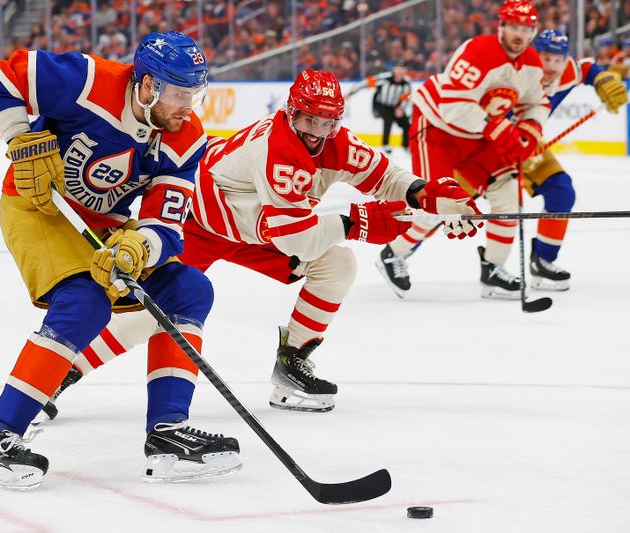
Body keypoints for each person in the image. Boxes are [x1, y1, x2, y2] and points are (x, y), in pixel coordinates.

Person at [39, 69, 482, 417]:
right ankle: (62, 372)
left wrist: (423, 194)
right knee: (148, 314)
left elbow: (384, 177)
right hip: (199, 220)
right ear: (291, 113)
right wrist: (363, 220)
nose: (317, 130)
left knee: (338, 265)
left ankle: (293, 363)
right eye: (309, 119)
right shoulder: (278, 150)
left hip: (255, 225)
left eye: (327, 122)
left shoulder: (335, 142)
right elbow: (297, 237)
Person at [0, 31, 240, 490]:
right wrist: (20, 136)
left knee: (189, 289)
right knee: (84, 302)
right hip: (39, 209)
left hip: (106, 224)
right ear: (147, 85)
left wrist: (138, 248)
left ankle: (167, 432)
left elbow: (167, 224)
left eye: (194, 94)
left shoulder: (186, 138)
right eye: (178, 94)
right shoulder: (87, 80)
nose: (187, 106)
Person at [377, 0, 550, 299]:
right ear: (502, 26)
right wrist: (500, 130)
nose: (519, 34)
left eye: (526, 28)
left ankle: (493, 268)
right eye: (514, 27)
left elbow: (537, 103)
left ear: (533, 30)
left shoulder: (532, 63)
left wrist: (530, 131)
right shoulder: (480, 51)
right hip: (437, 128)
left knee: (509, 196)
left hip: (477, 136)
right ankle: (393, 253)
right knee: (437, 205)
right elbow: (454, 105)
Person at [518, 29, 627, 289]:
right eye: (546, 58)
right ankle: (400, 250)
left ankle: (542, 260)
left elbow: (586, 68)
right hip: (486, 147)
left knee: (560, 190)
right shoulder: (516, 72)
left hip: (526, 145)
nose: (552, 66)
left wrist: (602, 78)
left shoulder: (567, 69)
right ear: (534, 54)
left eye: (558, 59)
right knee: (445, 201)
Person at [345, 59, 413, 155]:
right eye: (397, 68)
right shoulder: (384, 79)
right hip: (380, 105)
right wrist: (351, 92)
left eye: (402, 69)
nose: (399, 71)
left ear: (405, 70)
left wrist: (401, 108)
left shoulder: (406, 83)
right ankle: (385, 144)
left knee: (406, 124)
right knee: (388, 119)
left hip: (395, 107)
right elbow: (366, 83)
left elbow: (406, 98)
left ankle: (406, 145)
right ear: (394, 69)